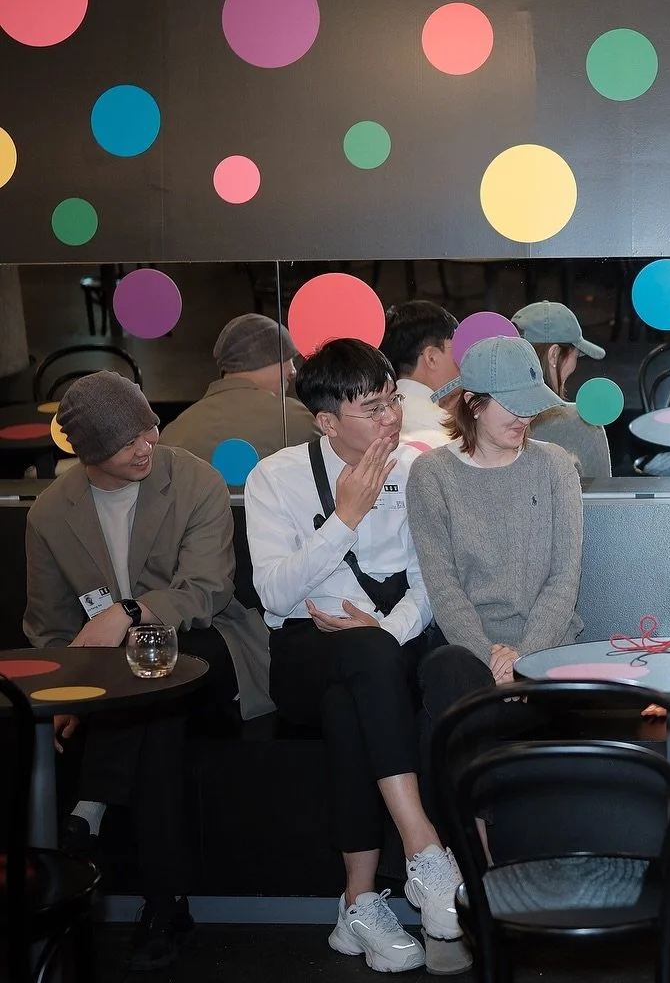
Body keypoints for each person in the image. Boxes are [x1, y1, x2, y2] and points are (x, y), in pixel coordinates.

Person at [25, 371, 273, 970]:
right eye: (126, 442)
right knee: (152, 702)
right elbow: (51, 626)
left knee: (156, 668)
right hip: (120, 677)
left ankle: (90, 807)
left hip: (210, 646)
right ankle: (167, 902)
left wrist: (129, 614)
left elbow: (209, 590)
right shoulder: (53, 513)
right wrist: (65, 693)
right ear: (87, 455)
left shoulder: (193, 481)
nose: (145, 448)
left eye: (149, 429)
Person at [244, 338, 468, 976]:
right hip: (302, 655)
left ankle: (360, 905)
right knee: (350, 672)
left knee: (354, 705)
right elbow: (275, 594)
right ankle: (424, 848)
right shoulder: (276, 477)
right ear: (326, 421)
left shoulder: (418, 468)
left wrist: (385, 633)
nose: (392, 419)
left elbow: (429, 586)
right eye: (372, 409)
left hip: (387, 647)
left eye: (393, 400)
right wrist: (343, 519)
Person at [407, 336, 583, 702]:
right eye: (513, 405)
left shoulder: (555, 466)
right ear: (473, 404)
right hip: (468, 652)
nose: (525, 418)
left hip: (547, 644)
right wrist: (492, 661)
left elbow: (564, 578)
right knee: (450, 671)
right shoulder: (432, 474)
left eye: (531, 405)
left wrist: (523, 659)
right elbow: (444, 587)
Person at [159, 313, 318, 480]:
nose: (293, 371)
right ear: (263, 360)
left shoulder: (174, 433)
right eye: (286, 358)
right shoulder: (298, 420)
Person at [511, 300, 612, 478]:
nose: (575, 364)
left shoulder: (481, 417)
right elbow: (603, 501)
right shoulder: (583, 423)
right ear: (554, 354)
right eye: (576, 355)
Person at [378, 300, 461, 450]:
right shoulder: (452, 432)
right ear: (431, 357)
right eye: (458, 350)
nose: (463, 360)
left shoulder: (374, 422)